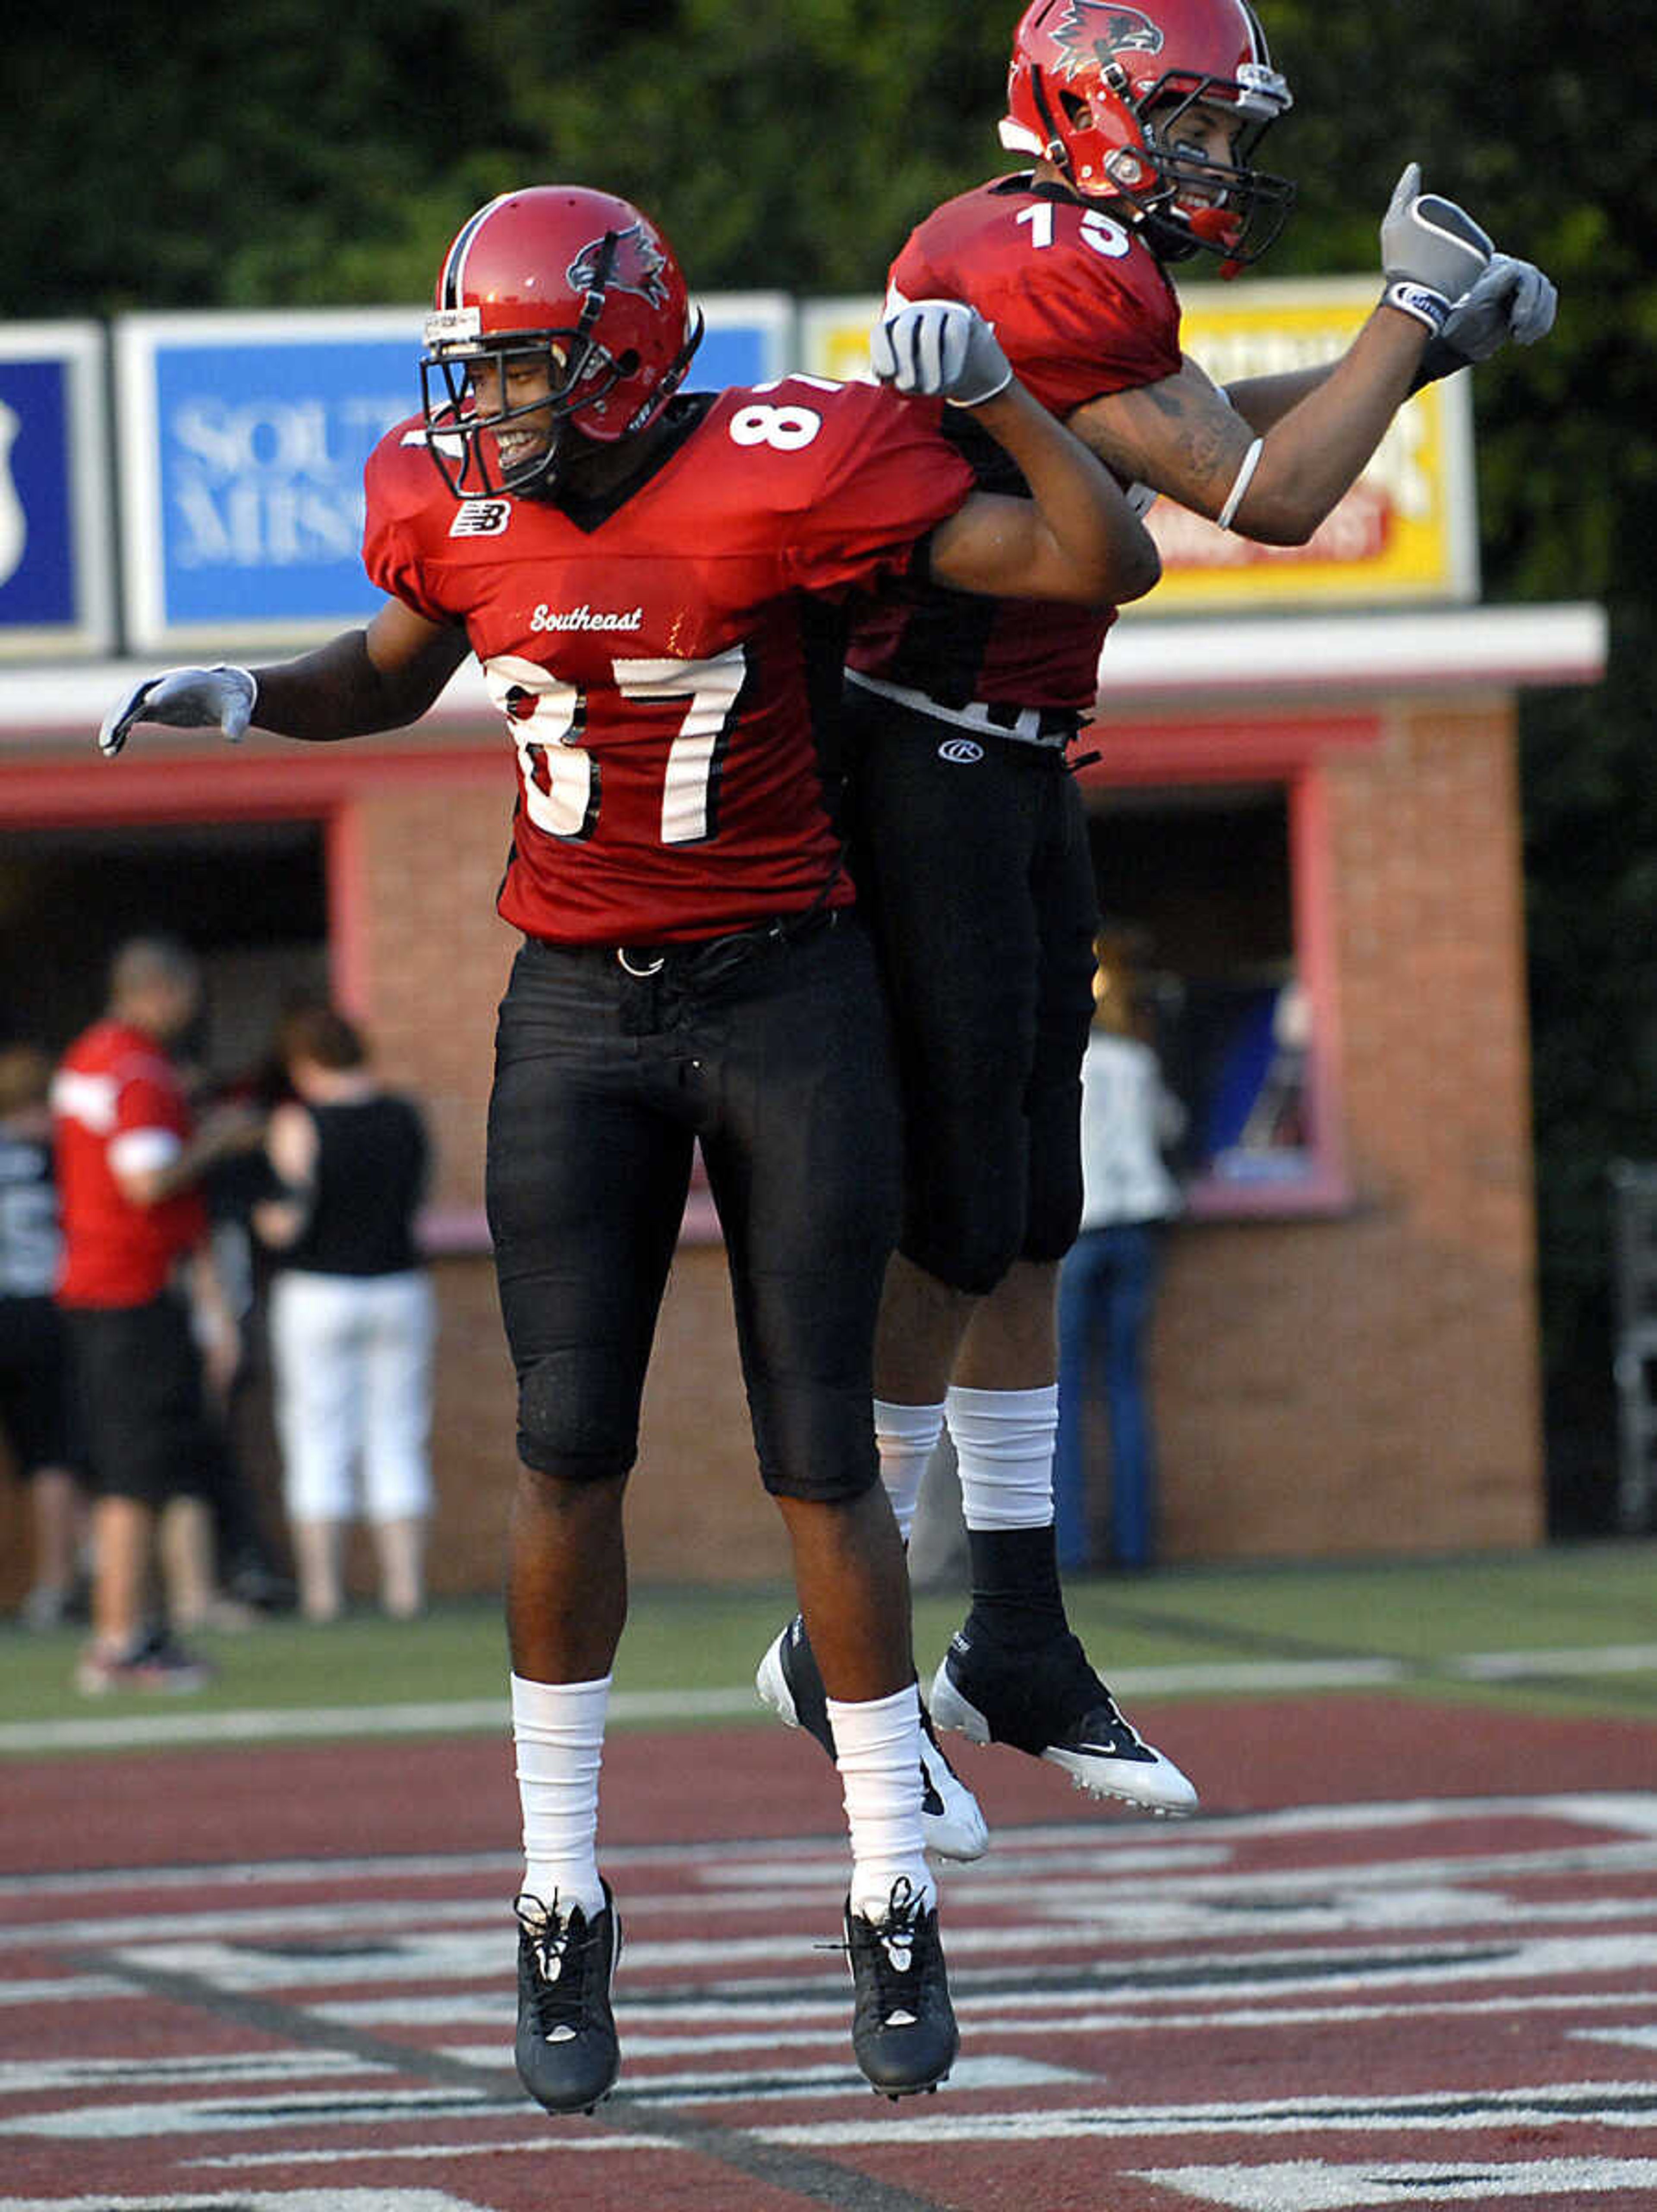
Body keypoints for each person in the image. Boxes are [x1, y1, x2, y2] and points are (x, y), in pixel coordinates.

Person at [95, 184, 1159, 2110]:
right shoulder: (449, 493)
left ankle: (889, 1887)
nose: (482, 400)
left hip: (783, 993)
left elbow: (1106, 554)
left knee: (820, 1451)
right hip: (574, 1010)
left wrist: (1003, 391)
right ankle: (559, 1896)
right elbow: (394, 665)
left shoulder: (790, 461)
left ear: (621, 346)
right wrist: (258, 695)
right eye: (477, 363)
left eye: (516, 360)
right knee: (565, 1443)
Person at [757, 0, 1557, 1836]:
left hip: (1013, 761)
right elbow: (1263, 501)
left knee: (1034, 1217)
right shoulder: (1035, 248)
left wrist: (1412, 362)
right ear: (1091, 107)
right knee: (961, 1223)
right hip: (921, 758)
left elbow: (1203, 441)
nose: (1218, 160)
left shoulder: (1071, 261)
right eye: (1191, 122)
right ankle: (836, 1626)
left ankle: (1018, 1631)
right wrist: (1409, 312)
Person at [50, 937, 266, 1690]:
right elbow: (145, 1181)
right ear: (162, 991)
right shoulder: (139, 1067)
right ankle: (118, 1642)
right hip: (130, 1290)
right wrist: (221, 1137)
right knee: (137, 1474)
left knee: (134, 1468)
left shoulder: (90, 1054)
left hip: (102, 1287)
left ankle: (134, 1630)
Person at [252, 1001, 435, 1622]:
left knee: (317, 1437)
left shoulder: (299, 1122)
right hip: (399, 1287)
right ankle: (405, 1589)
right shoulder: (405, 1116)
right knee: (398, 1434)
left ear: (304, 1063)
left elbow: (288, 1220)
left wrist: (259, 1219)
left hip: (318, 1292)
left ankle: (324, 1594)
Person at [1053, 938, 1184, 1573]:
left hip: (1079, 1226)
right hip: (1138, 1223)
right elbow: (1170, 1128)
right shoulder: (1136, 1058)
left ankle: (1069, 1547)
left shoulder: (1056, 1057)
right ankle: (1136, 1544)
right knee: (1127, 1387)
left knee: (1061, 1392)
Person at [0, 1043, 87, 1627]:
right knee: (49, 1453)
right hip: (43, 1312)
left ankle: (55, 1584)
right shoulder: (59, 1157)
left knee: (48, 1452)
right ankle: (55, 1584)